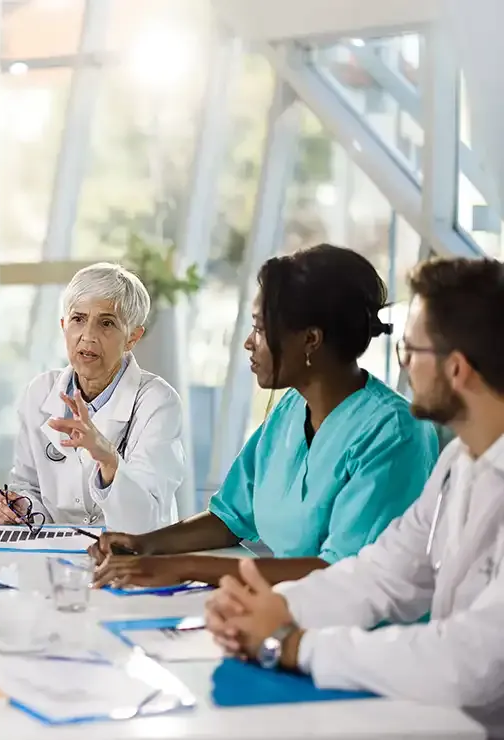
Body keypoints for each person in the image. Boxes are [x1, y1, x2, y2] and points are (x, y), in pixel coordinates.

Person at [203, 257, 504, 736]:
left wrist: (294, 644)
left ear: (456, 369)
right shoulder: (459, 465)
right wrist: (279, 609)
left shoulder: (403, 433)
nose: (402, 365)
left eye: (411, 350)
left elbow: (471, 660)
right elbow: (381, 575)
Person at [91, 245, 439, 587]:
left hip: (363, 635)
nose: (248, 342)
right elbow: (230, 517)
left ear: (311, 339)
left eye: (259, 328)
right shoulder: (290, 410)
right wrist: (145, 545)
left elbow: (342, 574)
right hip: (289, 613)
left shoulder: (393, 433)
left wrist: (183, 568)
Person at [0, 262, 187, 532]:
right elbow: (28, 486)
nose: (88, 336)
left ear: (133, 337)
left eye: (106, 323)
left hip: (133, 560)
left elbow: (147, 522)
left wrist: (106, 456)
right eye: (78, 319)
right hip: (56, 558)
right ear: (64, 326)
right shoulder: (40, 392)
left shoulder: (158, 402)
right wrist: (22, 509)